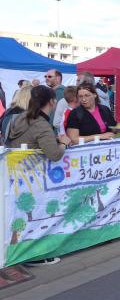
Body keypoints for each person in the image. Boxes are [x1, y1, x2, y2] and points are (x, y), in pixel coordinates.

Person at [7, 85, 72, 266]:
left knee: (18, 215)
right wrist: (63, 143)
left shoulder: (20, 118)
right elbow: (54, 154)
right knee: (35, 215)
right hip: (33, 176)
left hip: (15, 175)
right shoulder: (41, 124)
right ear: (52, 101)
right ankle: (34, 255)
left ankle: (18, 251)